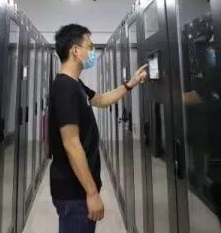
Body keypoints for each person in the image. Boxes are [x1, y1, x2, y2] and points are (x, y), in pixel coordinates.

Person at [49, 24, 148, 233]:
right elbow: (71, 144)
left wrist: (130, 84)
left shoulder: (75, 84)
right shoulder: (65, 88)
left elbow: (101, 99)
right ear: (75, 51)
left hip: (77, 188)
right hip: (74, 191)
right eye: (90, 46)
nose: (92, 52)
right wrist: (92, 193)